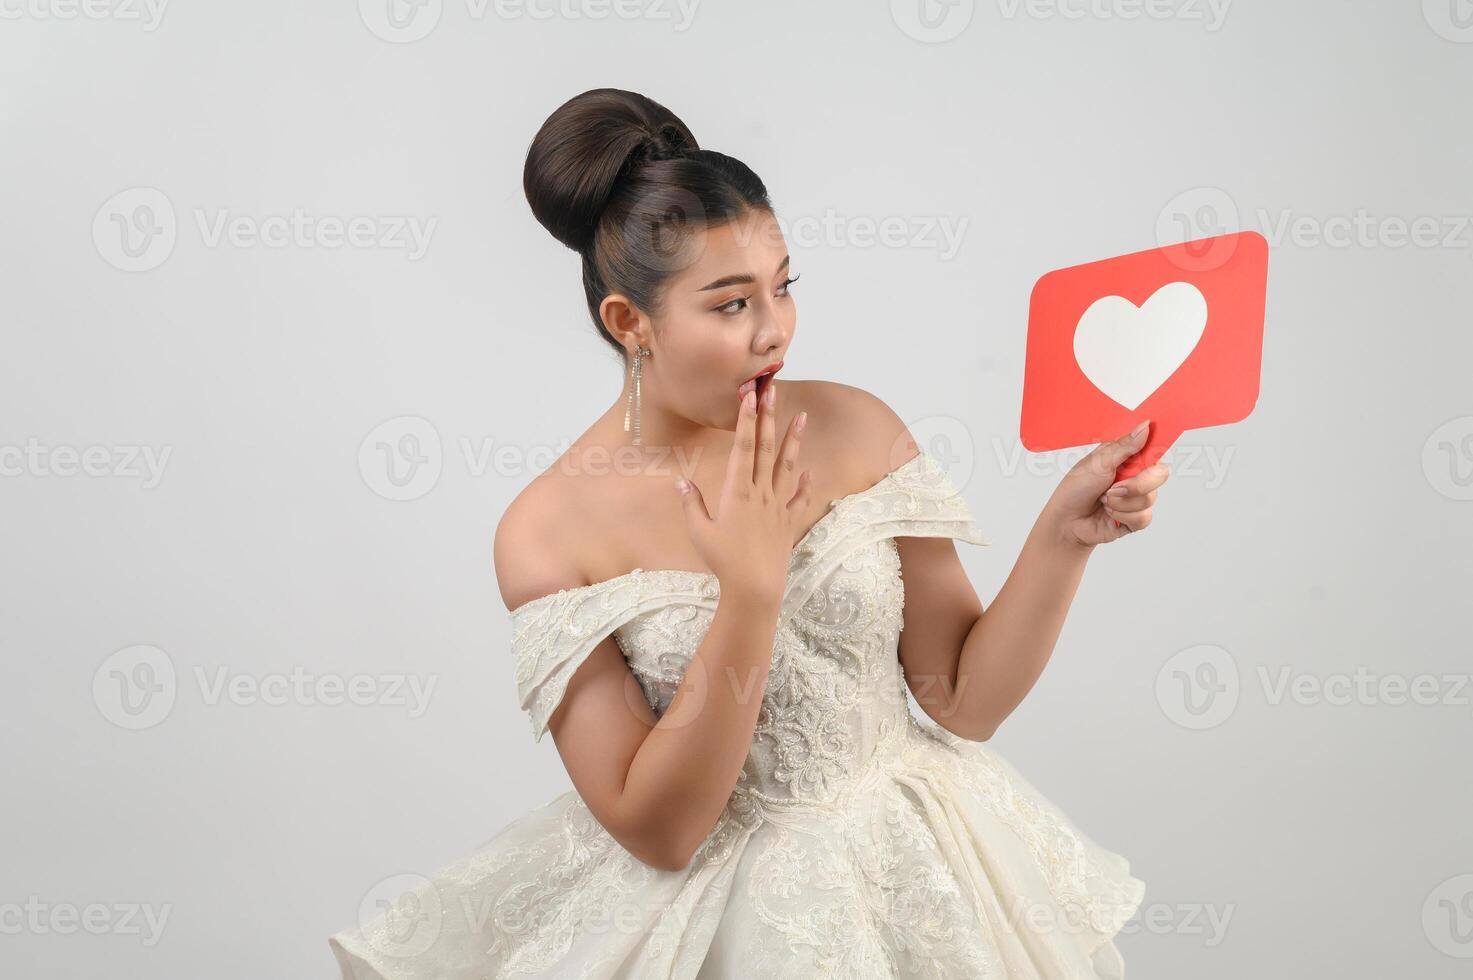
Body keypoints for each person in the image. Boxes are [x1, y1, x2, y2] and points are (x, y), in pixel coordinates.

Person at [329, 86, 1165, 979]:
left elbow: (963, 699)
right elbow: (660, 829)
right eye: (729, 305)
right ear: (630, 322)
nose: (775, 333)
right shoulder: (547, 532)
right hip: (729, 921)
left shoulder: (853, 425)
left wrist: (1063, 537)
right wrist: (750, 588)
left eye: (783, 287)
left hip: (926, 874)